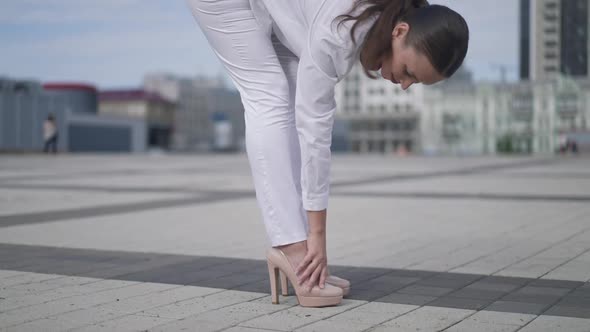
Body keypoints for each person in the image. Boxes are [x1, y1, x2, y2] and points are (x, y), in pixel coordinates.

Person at [186, 0, 468, 307]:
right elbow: (315, 135)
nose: (404, 84)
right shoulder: (338, 33)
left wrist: (315, 245)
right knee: (268, 94)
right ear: (400, 31)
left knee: (290, 86)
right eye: (408, 71)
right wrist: (317, 236)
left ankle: (304, 260)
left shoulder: (364, 19)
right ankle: (292, 249)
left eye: (414, 82)